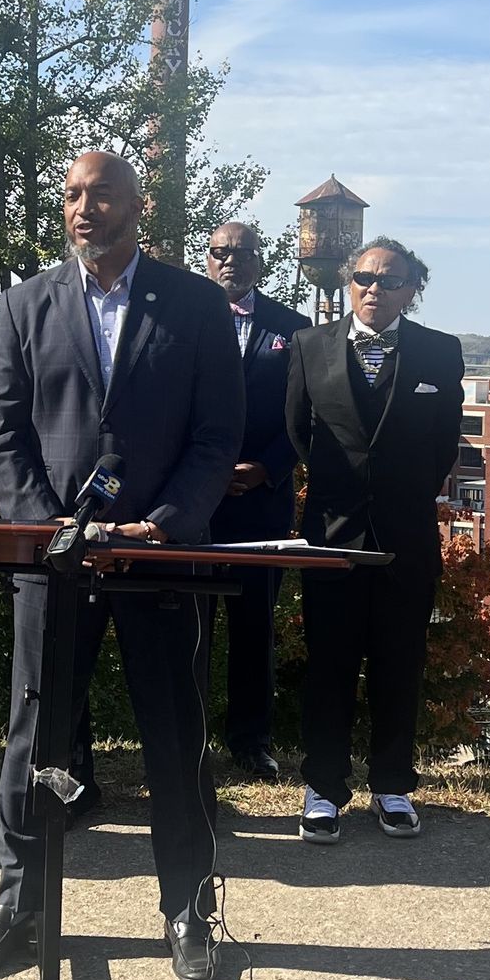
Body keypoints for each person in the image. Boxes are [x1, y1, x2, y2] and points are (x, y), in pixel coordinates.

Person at [0, 152, 244, 980]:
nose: (84, 208)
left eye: (102, 194)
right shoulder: (24, 304)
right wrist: (47, 525)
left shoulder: (195, 304)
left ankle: (187, 906)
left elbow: (217, 435)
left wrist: (168, 521)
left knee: (175, 735)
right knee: (33, 734)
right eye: (73, 195)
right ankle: (20, 902)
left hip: (161, 556)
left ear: (137, 206)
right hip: (54, 561)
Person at [286, 238, 465, 844]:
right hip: (332, 536)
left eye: (389, 280)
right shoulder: (310, 345)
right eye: (364, 277)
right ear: (348, 281)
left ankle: (392, 785)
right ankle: (323, 788)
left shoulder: (439, 352)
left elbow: (444, 444)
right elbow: (299, 431)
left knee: (399, 664)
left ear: (411, 290)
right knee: (328, 667)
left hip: (405, 536)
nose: (373, 288)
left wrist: (398, 493)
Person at [199, 220, 310, 779]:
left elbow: (306, 414)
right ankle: (186, 735)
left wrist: (267, 467)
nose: (231, 261)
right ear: (208, 258)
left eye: (242, 252)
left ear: (260, 261)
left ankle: (250, 740)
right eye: (220, 251)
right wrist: (204, 472)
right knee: (190, 625)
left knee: (253, 627)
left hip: (261, 499)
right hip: (193, 501)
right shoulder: (184, 320)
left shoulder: (294, 329)